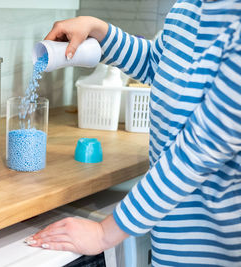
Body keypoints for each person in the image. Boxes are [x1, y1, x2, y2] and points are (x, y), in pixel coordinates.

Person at [25, 1, 241, 265]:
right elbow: (156, 64)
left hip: (214, 248)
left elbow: (198, 152)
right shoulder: (188, 8)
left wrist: (104, 233)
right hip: (168, 244)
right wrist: (100, 31)